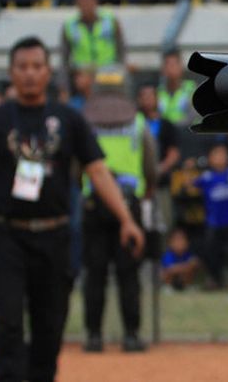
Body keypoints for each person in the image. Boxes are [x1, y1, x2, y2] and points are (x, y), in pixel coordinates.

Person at [0, 36, 144, 382]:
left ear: (48, 72)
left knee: (49, 326)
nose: (29, 74)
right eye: (22, 67)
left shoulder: (69, 119)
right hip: (5, 235)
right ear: (11, 72)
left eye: (37, 67)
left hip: (54, 237)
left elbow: (98, 171)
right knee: (8, 321)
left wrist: (126, 220)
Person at [81, 70, 156, 353]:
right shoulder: (137, 123)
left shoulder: (86, 123)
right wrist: (144, 193)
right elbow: (150, 165)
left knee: (95, 272)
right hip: (128, 203)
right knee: (128, 273)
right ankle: (131, 336)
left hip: (94, 201)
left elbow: (78, 166)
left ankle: (94, 337)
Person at [194, 142, 228, 289]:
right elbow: (189, 185)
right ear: (209, 158)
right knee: (213, 253)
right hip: (214, 223)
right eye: (216, 154)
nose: (220, 157)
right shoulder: (206, 177)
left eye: (223, 154)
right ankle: (214, 279)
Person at [60, 0, 127, 95]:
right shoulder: (70, 25)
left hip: (108, 70)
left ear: (95, 2)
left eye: (88, 1)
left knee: (118, 81)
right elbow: (64, 59)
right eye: (82, 2)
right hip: (83, 71)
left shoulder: (110, 21)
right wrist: (64, 87)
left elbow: (121, 49)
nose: (86, 5)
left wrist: (121, 68)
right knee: (83, 82)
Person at [137, 84, 180, 235]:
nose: (147, 100)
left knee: (164, 225)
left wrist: (158, 170)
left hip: (161, 184)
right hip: (139, 187)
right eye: (144, 96)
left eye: (151, 96)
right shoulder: (134, 124)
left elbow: (173, 153)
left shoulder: (167, 125)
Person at [157, 49, 196, 127]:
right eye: (168, 65)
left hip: (186, 134)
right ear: (163, 69)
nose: (171, 69)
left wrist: (173, 128)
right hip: (164, 136)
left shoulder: (191, 89)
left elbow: (192, 116)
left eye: (174, 65)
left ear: (181, 67)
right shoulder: (157, 92)